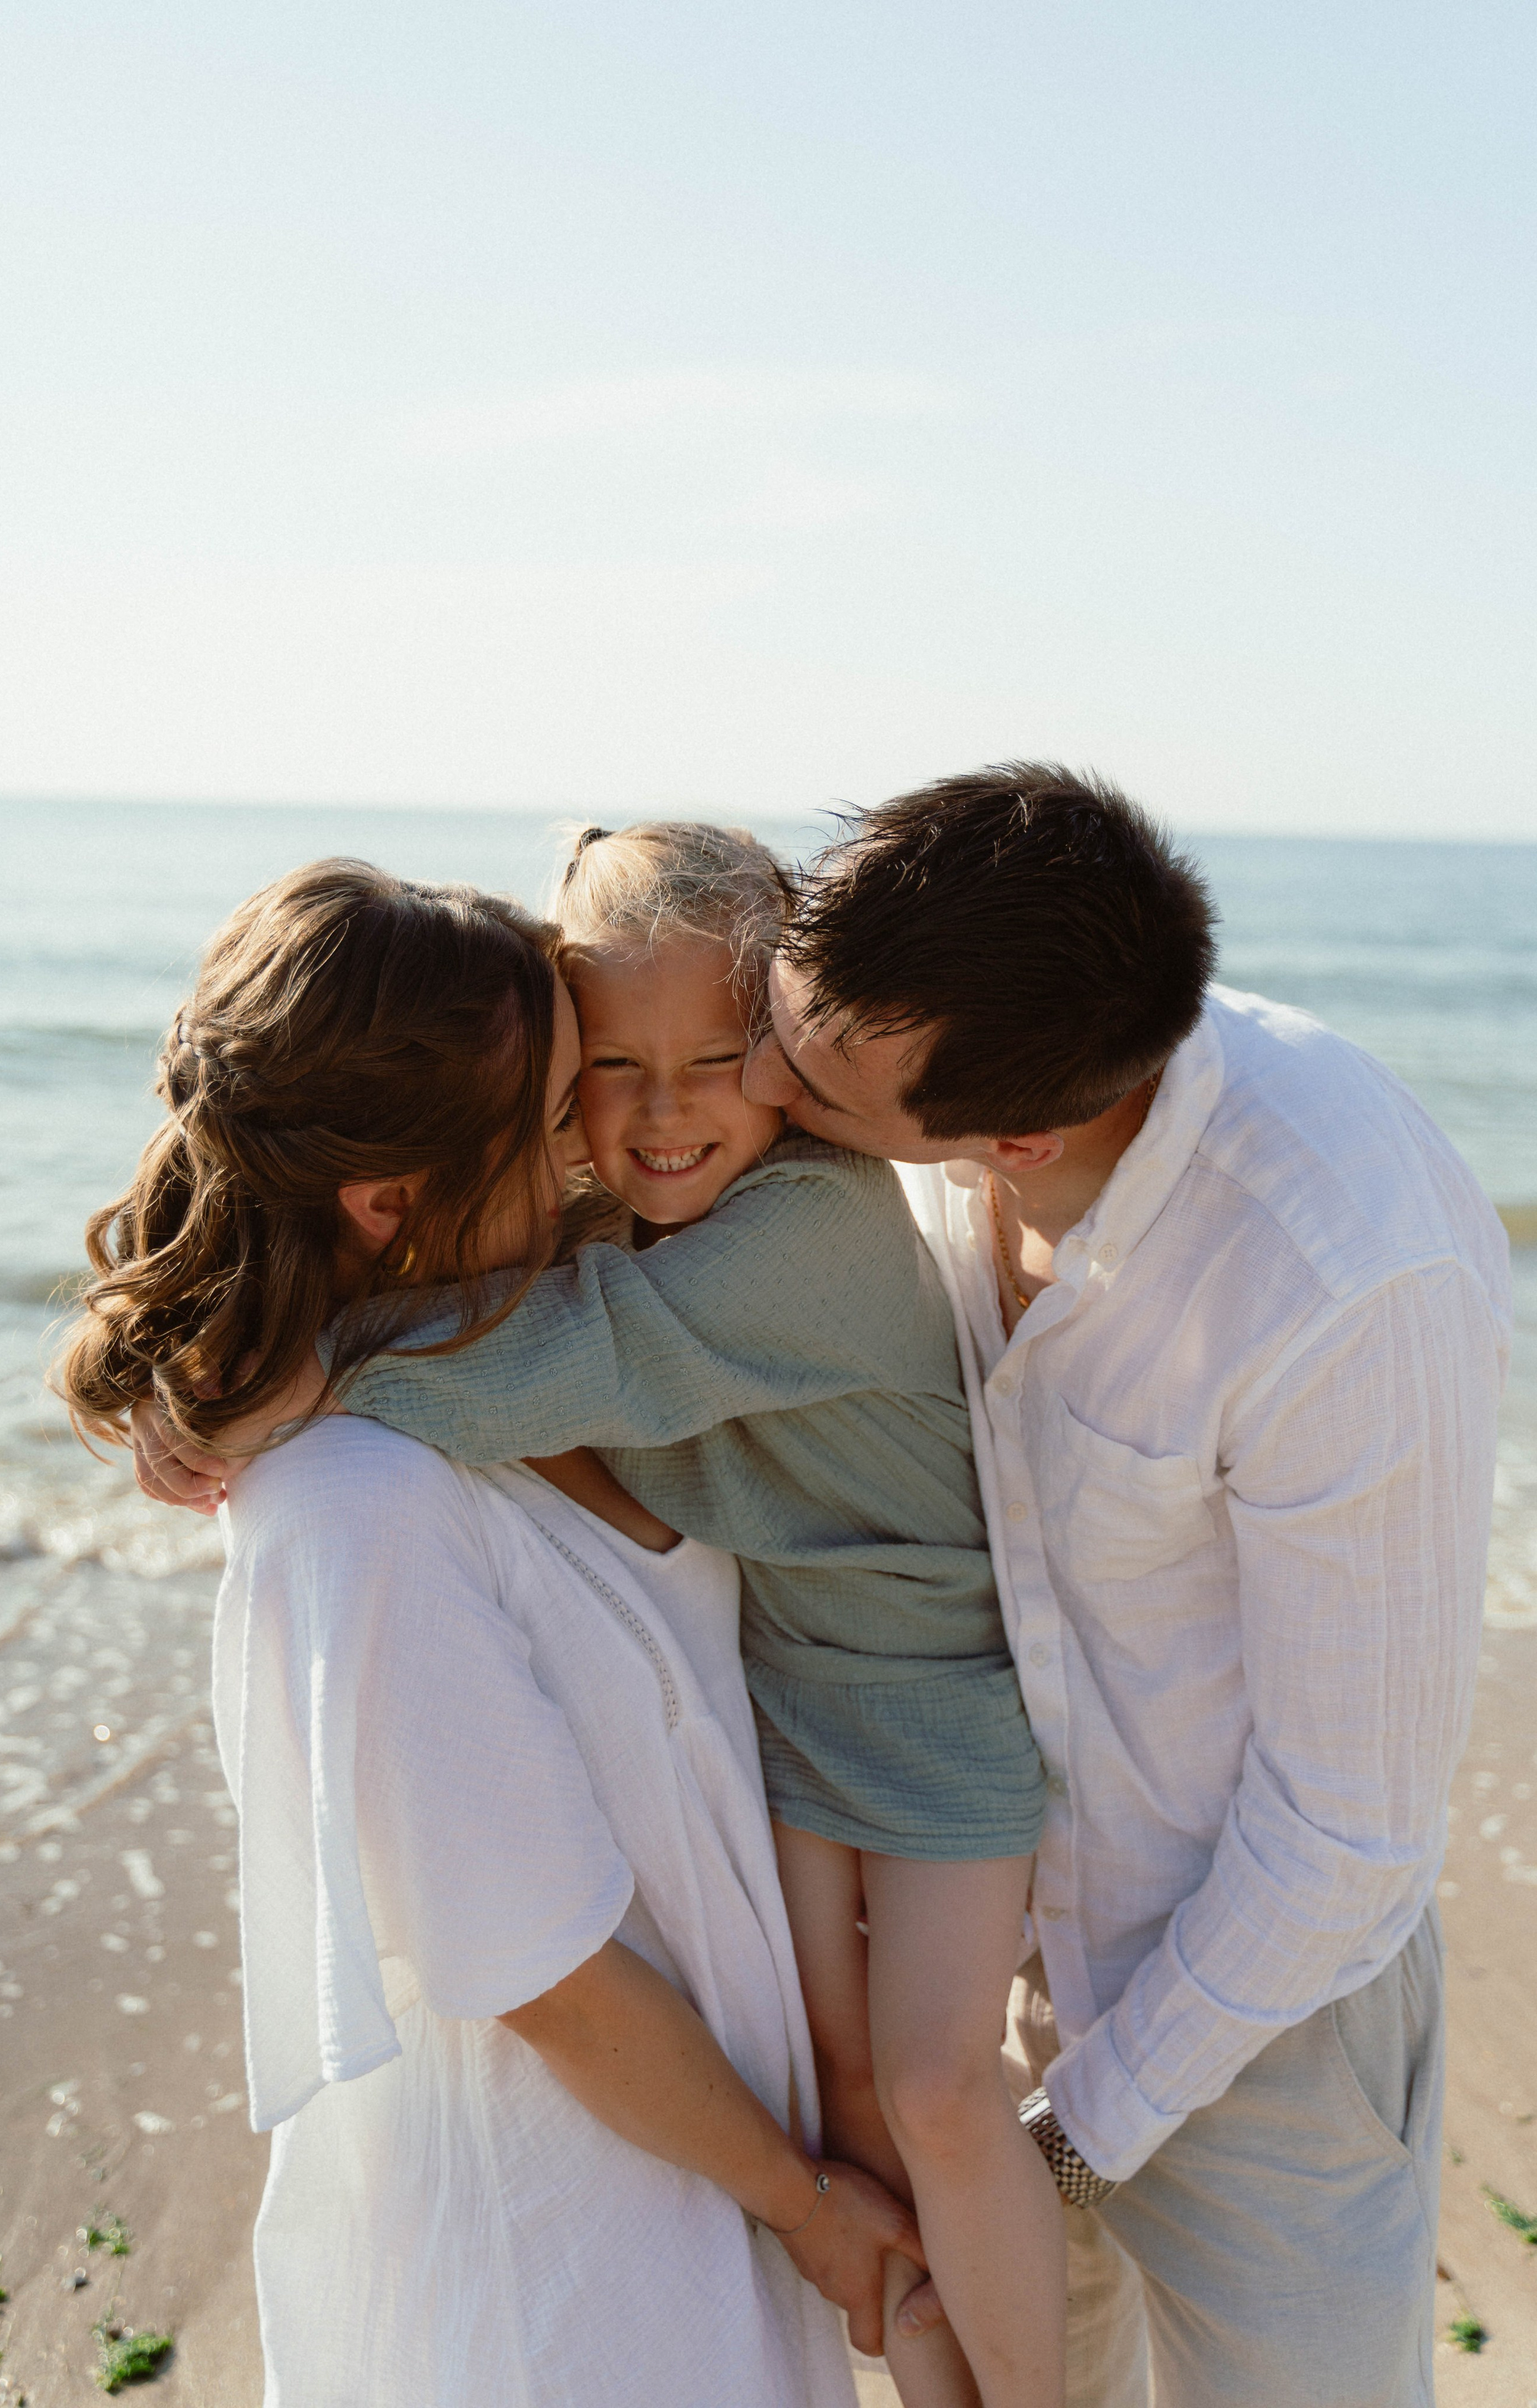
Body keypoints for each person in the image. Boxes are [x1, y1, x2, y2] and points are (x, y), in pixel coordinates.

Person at [136, 821, 1067, 2408]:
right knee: (891, 2094)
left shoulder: (727, 1256)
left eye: (710, 1061)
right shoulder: (360, 1501)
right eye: (581, 1087)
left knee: (932, 2091)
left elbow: (604, 1348)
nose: (624, 1129)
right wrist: (245, 1355)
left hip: (880, 1814)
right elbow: (543, 1968)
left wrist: (280, 1359)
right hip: (569, 2262)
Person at [741, 762, 1513, 2407]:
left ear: (1013, 1138)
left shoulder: (1340, 1273)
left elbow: (1343, 1839)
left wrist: (1061, 2145)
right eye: (775, 1020)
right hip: (972, 1959)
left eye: (806, 1083)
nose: (758, 1083)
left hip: (1256, 2021)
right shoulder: (945, 1041)